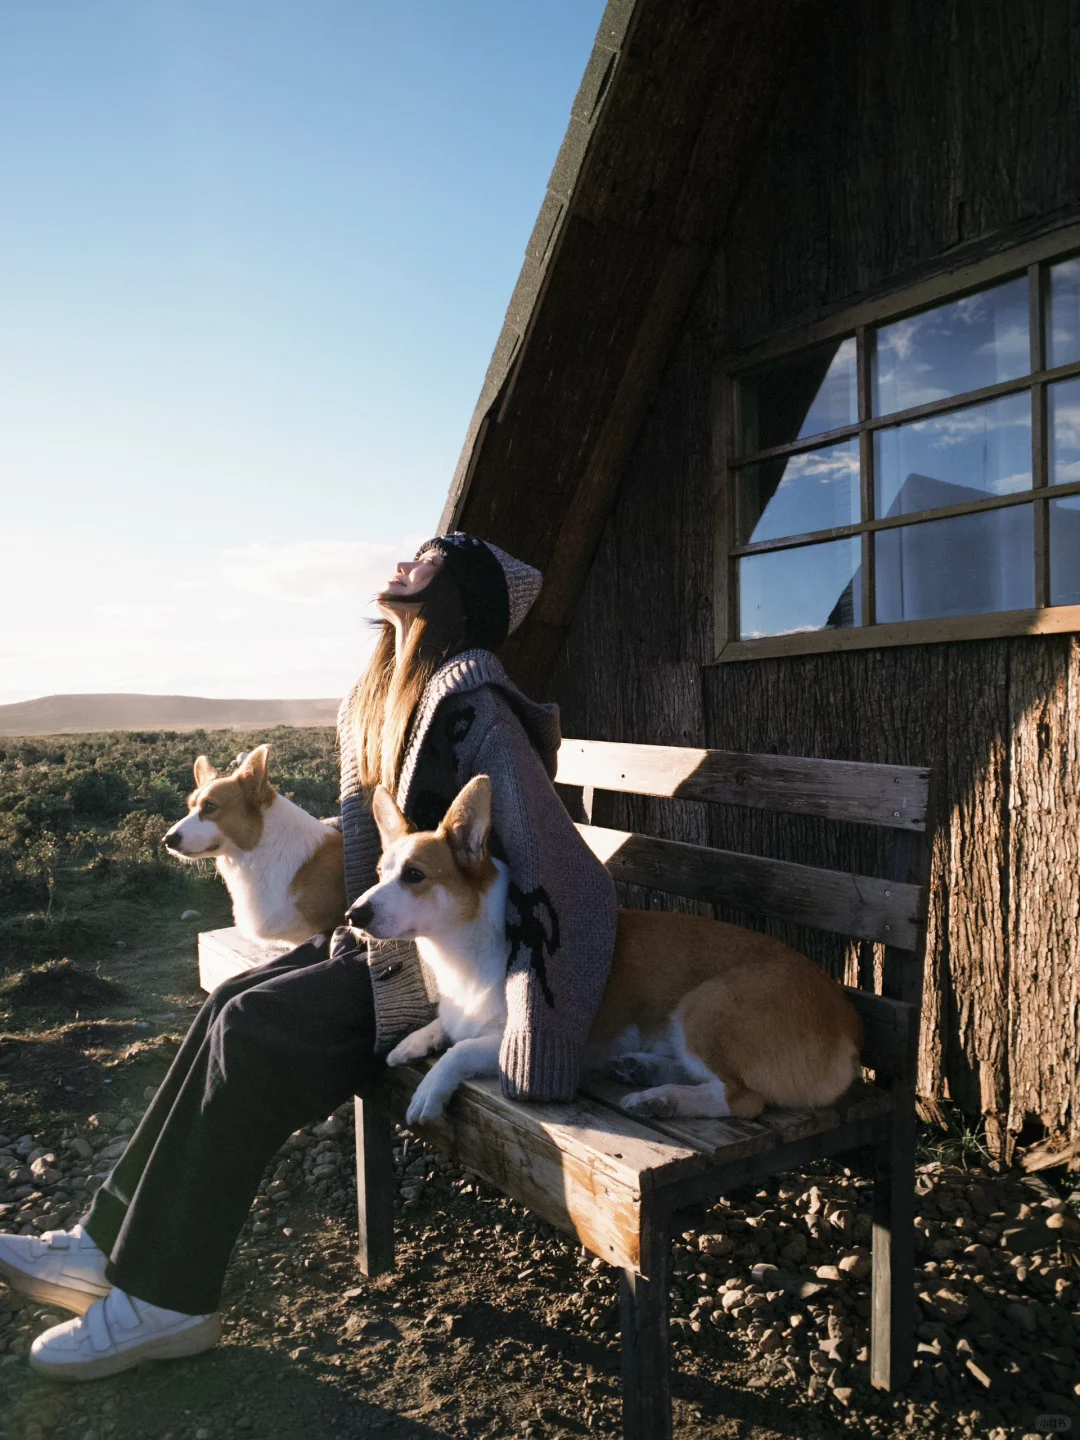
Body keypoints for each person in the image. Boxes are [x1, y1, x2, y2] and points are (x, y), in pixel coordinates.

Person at [0, 534, 617, 1381]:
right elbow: (369, 860)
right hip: (384, 947)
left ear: (460, 597)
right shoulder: (376, 697)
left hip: (444, 978)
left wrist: (537, 1034)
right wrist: (343, 938)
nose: (407, 561)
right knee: (230, 1003)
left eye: (430, 556)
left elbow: (563, 879)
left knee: (255, 1028)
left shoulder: (478, 705)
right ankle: (102, 1244)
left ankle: (169, 1299)